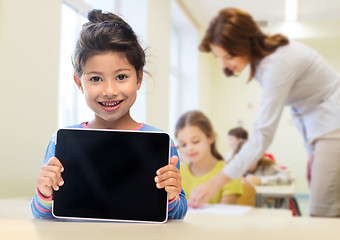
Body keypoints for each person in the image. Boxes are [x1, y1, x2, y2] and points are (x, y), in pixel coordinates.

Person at [30, 9, 187, 220]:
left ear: (139, 79)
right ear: (79, 83)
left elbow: (178, 213)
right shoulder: (62, 141)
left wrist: (171, 196)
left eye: (121, 76)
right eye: (96, 79)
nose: (110, 90)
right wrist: (44, 192)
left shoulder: (162, 144)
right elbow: (40, 213)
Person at [188, 7, 340, 217]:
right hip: (325, 128)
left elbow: (262, 135)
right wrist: (313, 151)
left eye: (229, 56)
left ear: (246, 43)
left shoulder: (277, 64)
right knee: (325, 208)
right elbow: (303, 108)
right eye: (219, 57)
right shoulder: (265, 63)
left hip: (333, 125)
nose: (225, 65)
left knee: (322, 212)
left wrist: (215, 183)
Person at [175, 110, 242, 205]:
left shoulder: (229, 173)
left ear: (211, 137)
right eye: (183, 144)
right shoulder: (177, 172)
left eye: (195, 141)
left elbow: (226, 216)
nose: (189, 148)